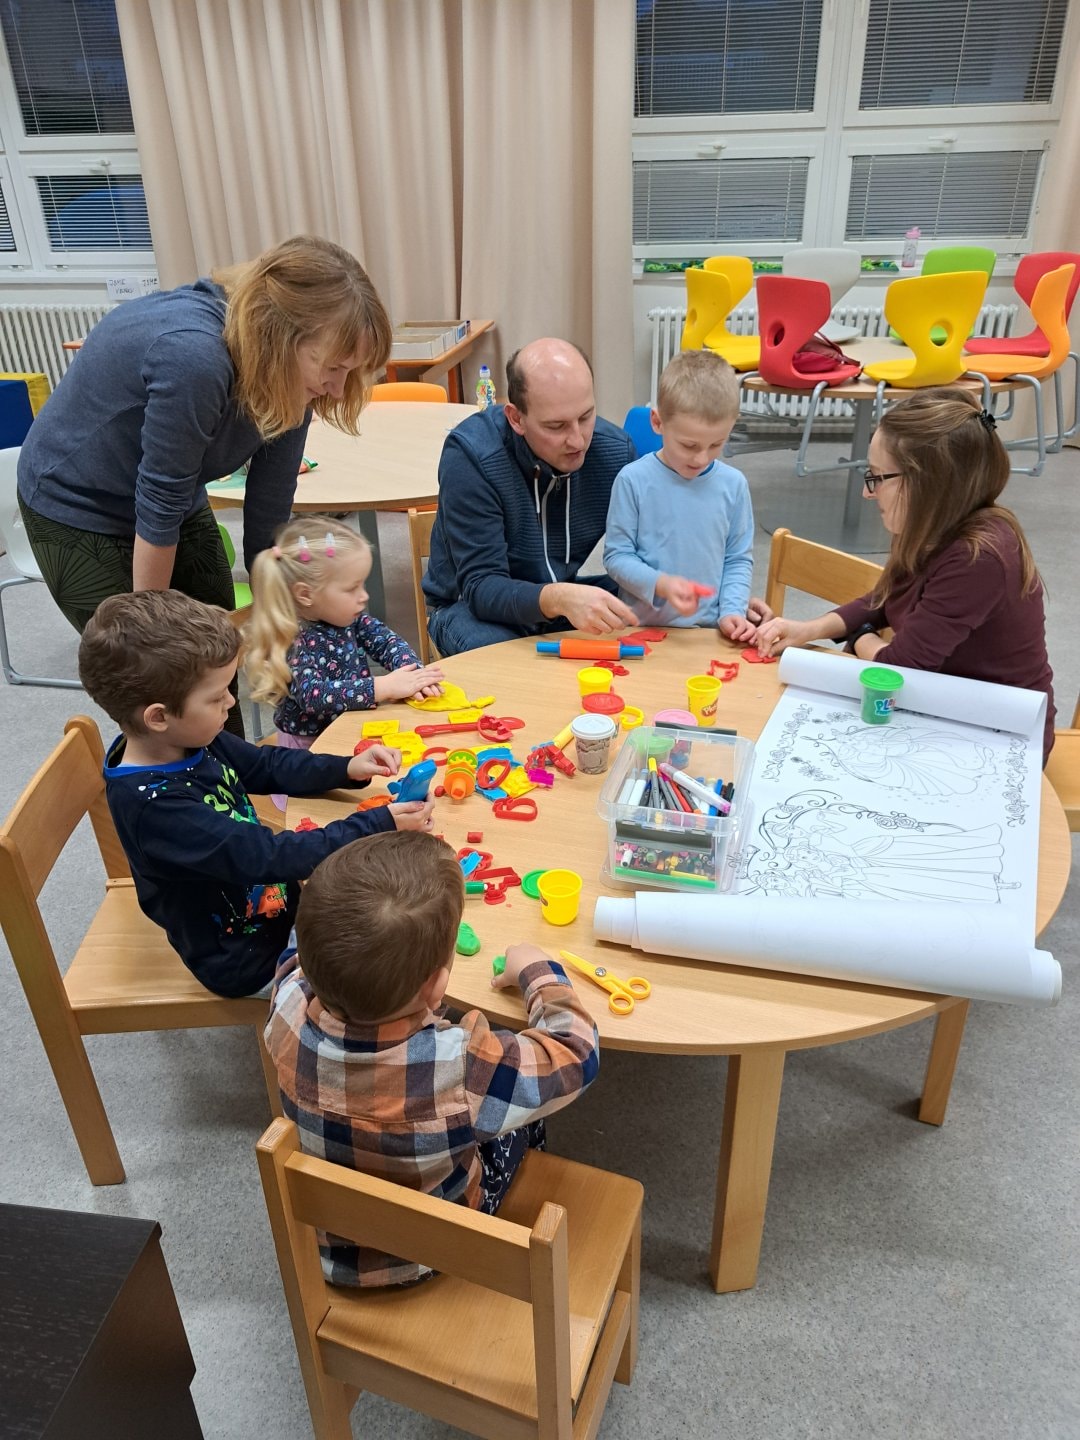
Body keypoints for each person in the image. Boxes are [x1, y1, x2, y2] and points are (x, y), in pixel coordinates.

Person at [265, 830, 600, 1287]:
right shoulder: (463, 1069)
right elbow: (577, 1054)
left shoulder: (286, 1006)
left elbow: (294, 955)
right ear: (437, 986)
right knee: (520, 1112)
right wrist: (539, 973)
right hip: (434, 1257)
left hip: (331, 1255)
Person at [17, 234, 391, 633]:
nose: (338, 389)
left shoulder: (294, 371)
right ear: (280, 336)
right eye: (333, 367)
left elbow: (272, 495)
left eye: (349, 370)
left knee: (218, 644)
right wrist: (153, 638)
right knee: (150, 655)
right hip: (77, 500)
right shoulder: (194, 358)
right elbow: (160, 504)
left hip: (174, 494)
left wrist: (274, 612)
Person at [77, 589, 434, 1000]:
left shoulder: (187, 739)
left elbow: (266, 765)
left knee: (398, 918)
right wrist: (376, 824)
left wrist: (345, 768)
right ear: (158, 717)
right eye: (216, 697)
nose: (232, 702)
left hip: (284, 905)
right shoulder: (155, 808)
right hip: (249, 960)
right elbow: (268, 855)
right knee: (393, 968)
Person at [754, 387, 1056, 762]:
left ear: (927, 482)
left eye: (878, 477)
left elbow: (895, 671)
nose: (868, 493)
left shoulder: (979, 557)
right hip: (947, 704)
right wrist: (809, 629)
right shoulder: (934, 524)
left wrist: (860, 637)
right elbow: (885, 599)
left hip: (1000, 730)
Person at [422, 338, 640, 655]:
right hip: (470, 606)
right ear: (516, 418)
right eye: (556, 426)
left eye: (585, 416)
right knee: (501, 657)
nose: (578, 440)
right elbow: (482, 587)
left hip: (558, 596)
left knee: (655, 602)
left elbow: (649, 551)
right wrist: (561, 598)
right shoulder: (472, 456)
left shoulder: (615, 451)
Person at [243, 517, 444, 805]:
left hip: (349, 734)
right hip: (308, 757)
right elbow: (315, 696)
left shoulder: (347, 616)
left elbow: (386, 641)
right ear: (306, 594)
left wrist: (413, 674)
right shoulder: (293, 639)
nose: (364, 596)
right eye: (352, 588)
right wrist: (384, 687)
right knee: (331, 815)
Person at [603, 349, 767, 636]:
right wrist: (661, 584)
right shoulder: (632, 480)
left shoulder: (734, 485)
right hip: (640, 631)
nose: (701, 458)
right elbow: (617, 556)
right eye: (689, 446)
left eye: (716, 445)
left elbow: (737, 558)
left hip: (708, 632)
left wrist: (732, 611)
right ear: (657, 422)